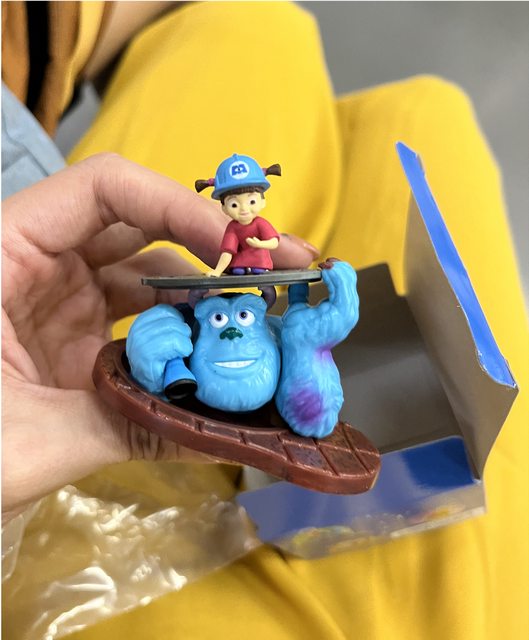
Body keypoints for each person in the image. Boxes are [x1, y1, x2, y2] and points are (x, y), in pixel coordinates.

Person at [2, 3, 528, 640]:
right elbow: (221, 275)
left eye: (251, 197)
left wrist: (313, 293)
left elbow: (288, 295)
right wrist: (193, 320)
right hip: (154, 489)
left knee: (278, 32)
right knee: (408, 98)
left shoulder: (278, 322)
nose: (246, 205)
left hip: (260, 335)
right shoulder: (201, 317)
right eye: (238, 199)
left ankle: (110, 22)